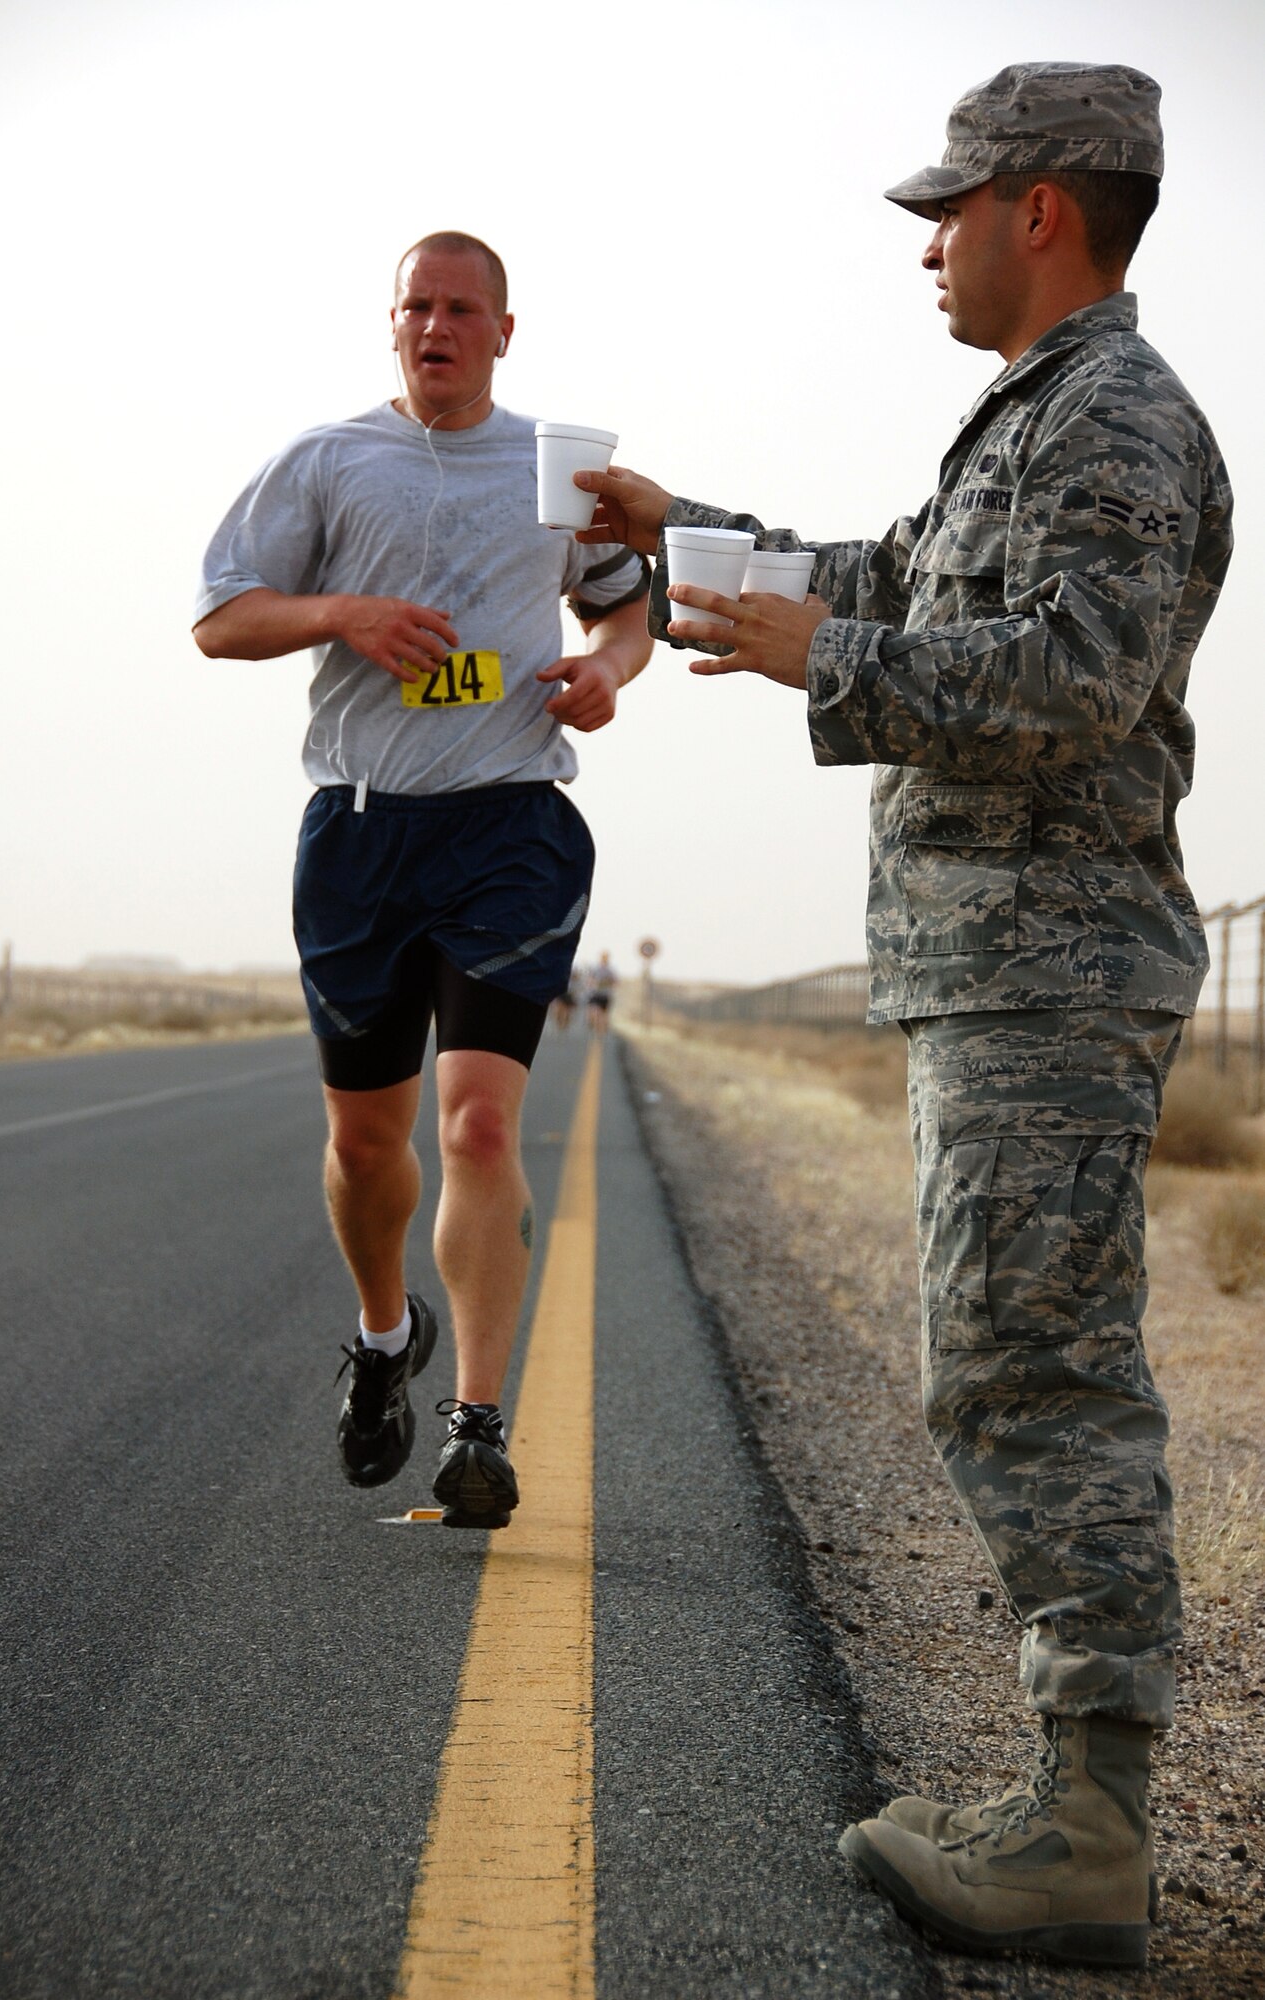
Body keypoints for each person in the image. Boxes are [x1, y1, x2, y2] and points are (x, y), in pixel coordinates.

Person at [574, 64, 1231, 1970]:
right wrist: (684, 533)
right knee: (1003, 1367)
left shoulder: (1114, 415)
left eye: (950, 207)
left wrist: (824, 655)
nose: (927, 243)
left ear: (1047, 207)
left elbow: (1078, 676)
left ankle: (1092, 1829)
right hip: (1001, 969)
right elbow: (900, 580)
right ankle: (1065, 1796)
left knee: (1041, 1379)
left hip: (1052, 971)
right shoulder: (1036, 416)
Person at [194, 231, 651, 1528]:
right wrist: (343, 614)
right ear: (389, 325)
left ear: (506, 330)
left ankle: (479, 1428)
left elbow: (629, 608)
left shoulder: (560, 468)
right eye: (414, 307)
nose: (434, 326)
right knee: (364, 1140)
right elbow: (221, 615)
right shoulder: (328, 461)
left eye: (460, 308)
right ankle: (388, 1334)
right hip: (358, 832)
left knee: (479, 1124)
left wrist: (608, 670)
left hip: (507, 828)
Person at [586, 950, 619, 1033]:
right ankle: (593, 1022)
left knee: (603, 1016)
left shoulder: (611, 970)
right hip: (595, 994)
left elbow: (616, 982)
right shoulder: (595, 968)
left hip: (605, 995)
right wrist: (593, 983)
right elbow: (589, 980)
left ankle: (601, 1032)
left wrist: (607, 983)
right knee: (593, 1012)